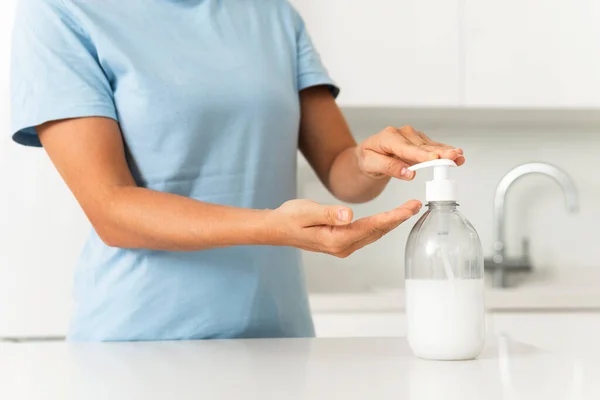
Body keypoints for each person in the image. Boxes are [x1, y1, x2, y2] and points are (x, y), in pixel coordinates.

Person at [10, 0, 465, 341]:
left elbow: (340, 169)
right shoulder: (61, 12)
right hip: (140, 344)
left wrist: (371, 160)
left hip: (279, 339)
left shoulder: (271, 13)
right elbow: (110, 208)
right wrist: (273, 227)